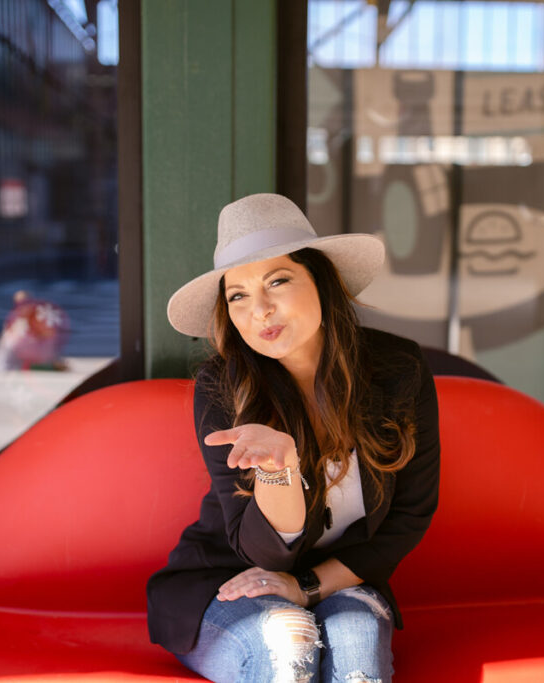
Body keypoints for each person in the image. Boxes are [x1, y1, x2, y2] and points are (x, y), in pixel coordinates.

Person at [147, 193, 440, 683]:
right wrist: (279, 471)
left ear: (323, 283)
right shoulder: (223, 388)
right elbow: (262, 555)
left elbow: (409, 516)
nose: (258, 310)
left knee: (356, 653)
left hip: (346, 578)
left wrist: (307, 587)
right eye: (237, 295)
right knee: (287, 640)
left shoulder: (398, 371)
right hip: (230, 580)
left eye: (277, 281)